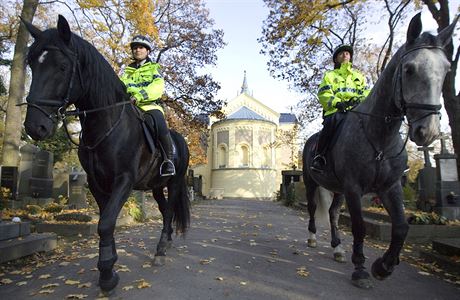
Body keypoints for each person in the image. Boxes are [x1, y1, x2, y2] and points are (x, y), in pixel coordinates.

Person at [121, 35, 176, 176]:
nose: (137, 50)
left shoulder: (154, 68)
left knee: (159, 123)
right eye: (135, 48)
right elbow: (120, 86)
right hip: (130, 107)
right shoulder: (127, 72)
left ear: (147, 51)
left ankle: (168, 161)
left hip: (149, 106)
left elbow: (157, 87)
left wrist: (139, 96)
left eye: (140, 47)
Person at [311, 44, 370, 173]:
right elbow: (324, 93)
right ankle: (319, 156)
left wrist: (358, 100)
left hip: (356, 111)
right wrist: (337, 103)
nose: (345, 55)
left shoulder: (359, 76)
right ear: (336, 59)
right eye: (341, 53)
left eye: (347, 53)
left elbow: (366, 93)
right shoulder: (329, 76)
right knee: (331, 124)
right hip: (335, 111)